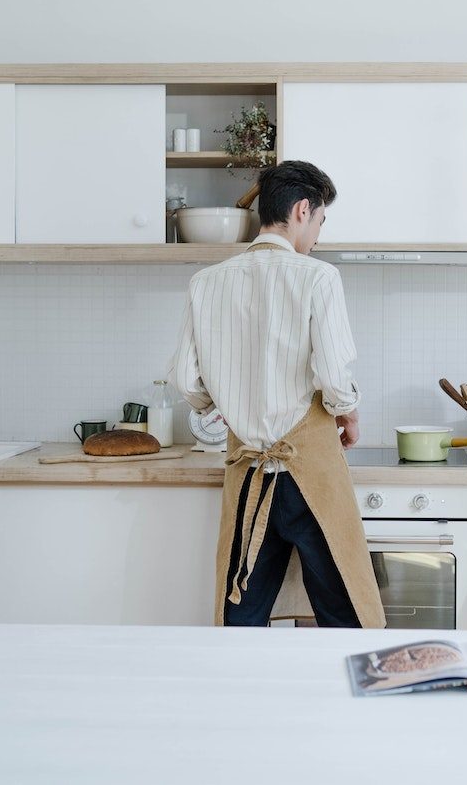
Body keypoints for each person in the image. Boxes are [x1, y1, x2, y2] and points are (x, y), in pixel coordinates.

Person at [169, 160, 385, 629]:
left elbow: (186, 380)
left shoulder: (205, 283)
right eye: (321, 222)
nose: (319, 237)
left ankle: (242, 699)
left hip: (247, 474)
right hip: (312, 479)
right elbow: (332, 374)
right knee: (344, 611)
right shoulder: (317, 277)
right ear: (303, 210)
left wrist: (220, 405)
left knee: (241, 613)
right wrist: (348, 413)